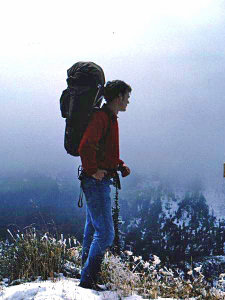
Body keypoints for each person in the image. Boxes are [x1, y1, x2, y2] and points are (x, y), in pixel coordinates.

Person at [78, 80, 132, 290]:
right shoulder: (102, 118)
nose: (128, 101)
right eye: (127, 96)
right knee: (106, 233)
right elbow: (86, 146)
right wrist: (93, 170)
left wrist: (119, 165)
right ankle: (88, 280)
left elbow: (104, 150)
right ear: (118, 96)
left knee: (92, 229)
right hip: (95, 182)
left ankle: (85, 273)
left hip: (97, 179)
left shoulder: (108, 118)